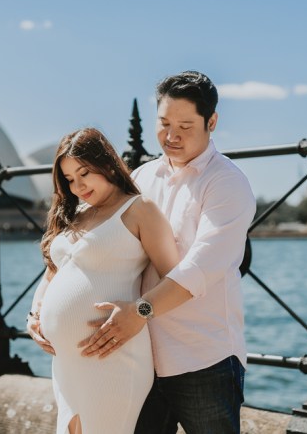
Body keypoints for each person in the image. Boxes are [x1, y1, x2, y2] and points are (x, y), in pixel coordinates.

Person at [79, 70, 256, 434]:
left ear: (212, 122)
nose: (171, 136)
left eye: (185, 126)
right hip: (140, 356)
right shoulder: (141, 178)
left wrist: (139, 312)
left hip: (203, 357)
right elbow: (98, 246)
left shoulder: (227, 183)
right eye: (163, 124)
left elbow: (200, 269)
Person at [26, 127, 181, 434]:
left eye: (84, 173)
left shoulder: (139, 209)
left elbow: (177, 281)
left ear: (107, 164)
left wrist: (141, 312)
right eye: (69, 179)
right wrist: (35, 314)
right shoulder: (76, 215)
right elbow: (51, 274)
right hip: (67, 364)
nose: (78, 186)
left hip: (113, 357)